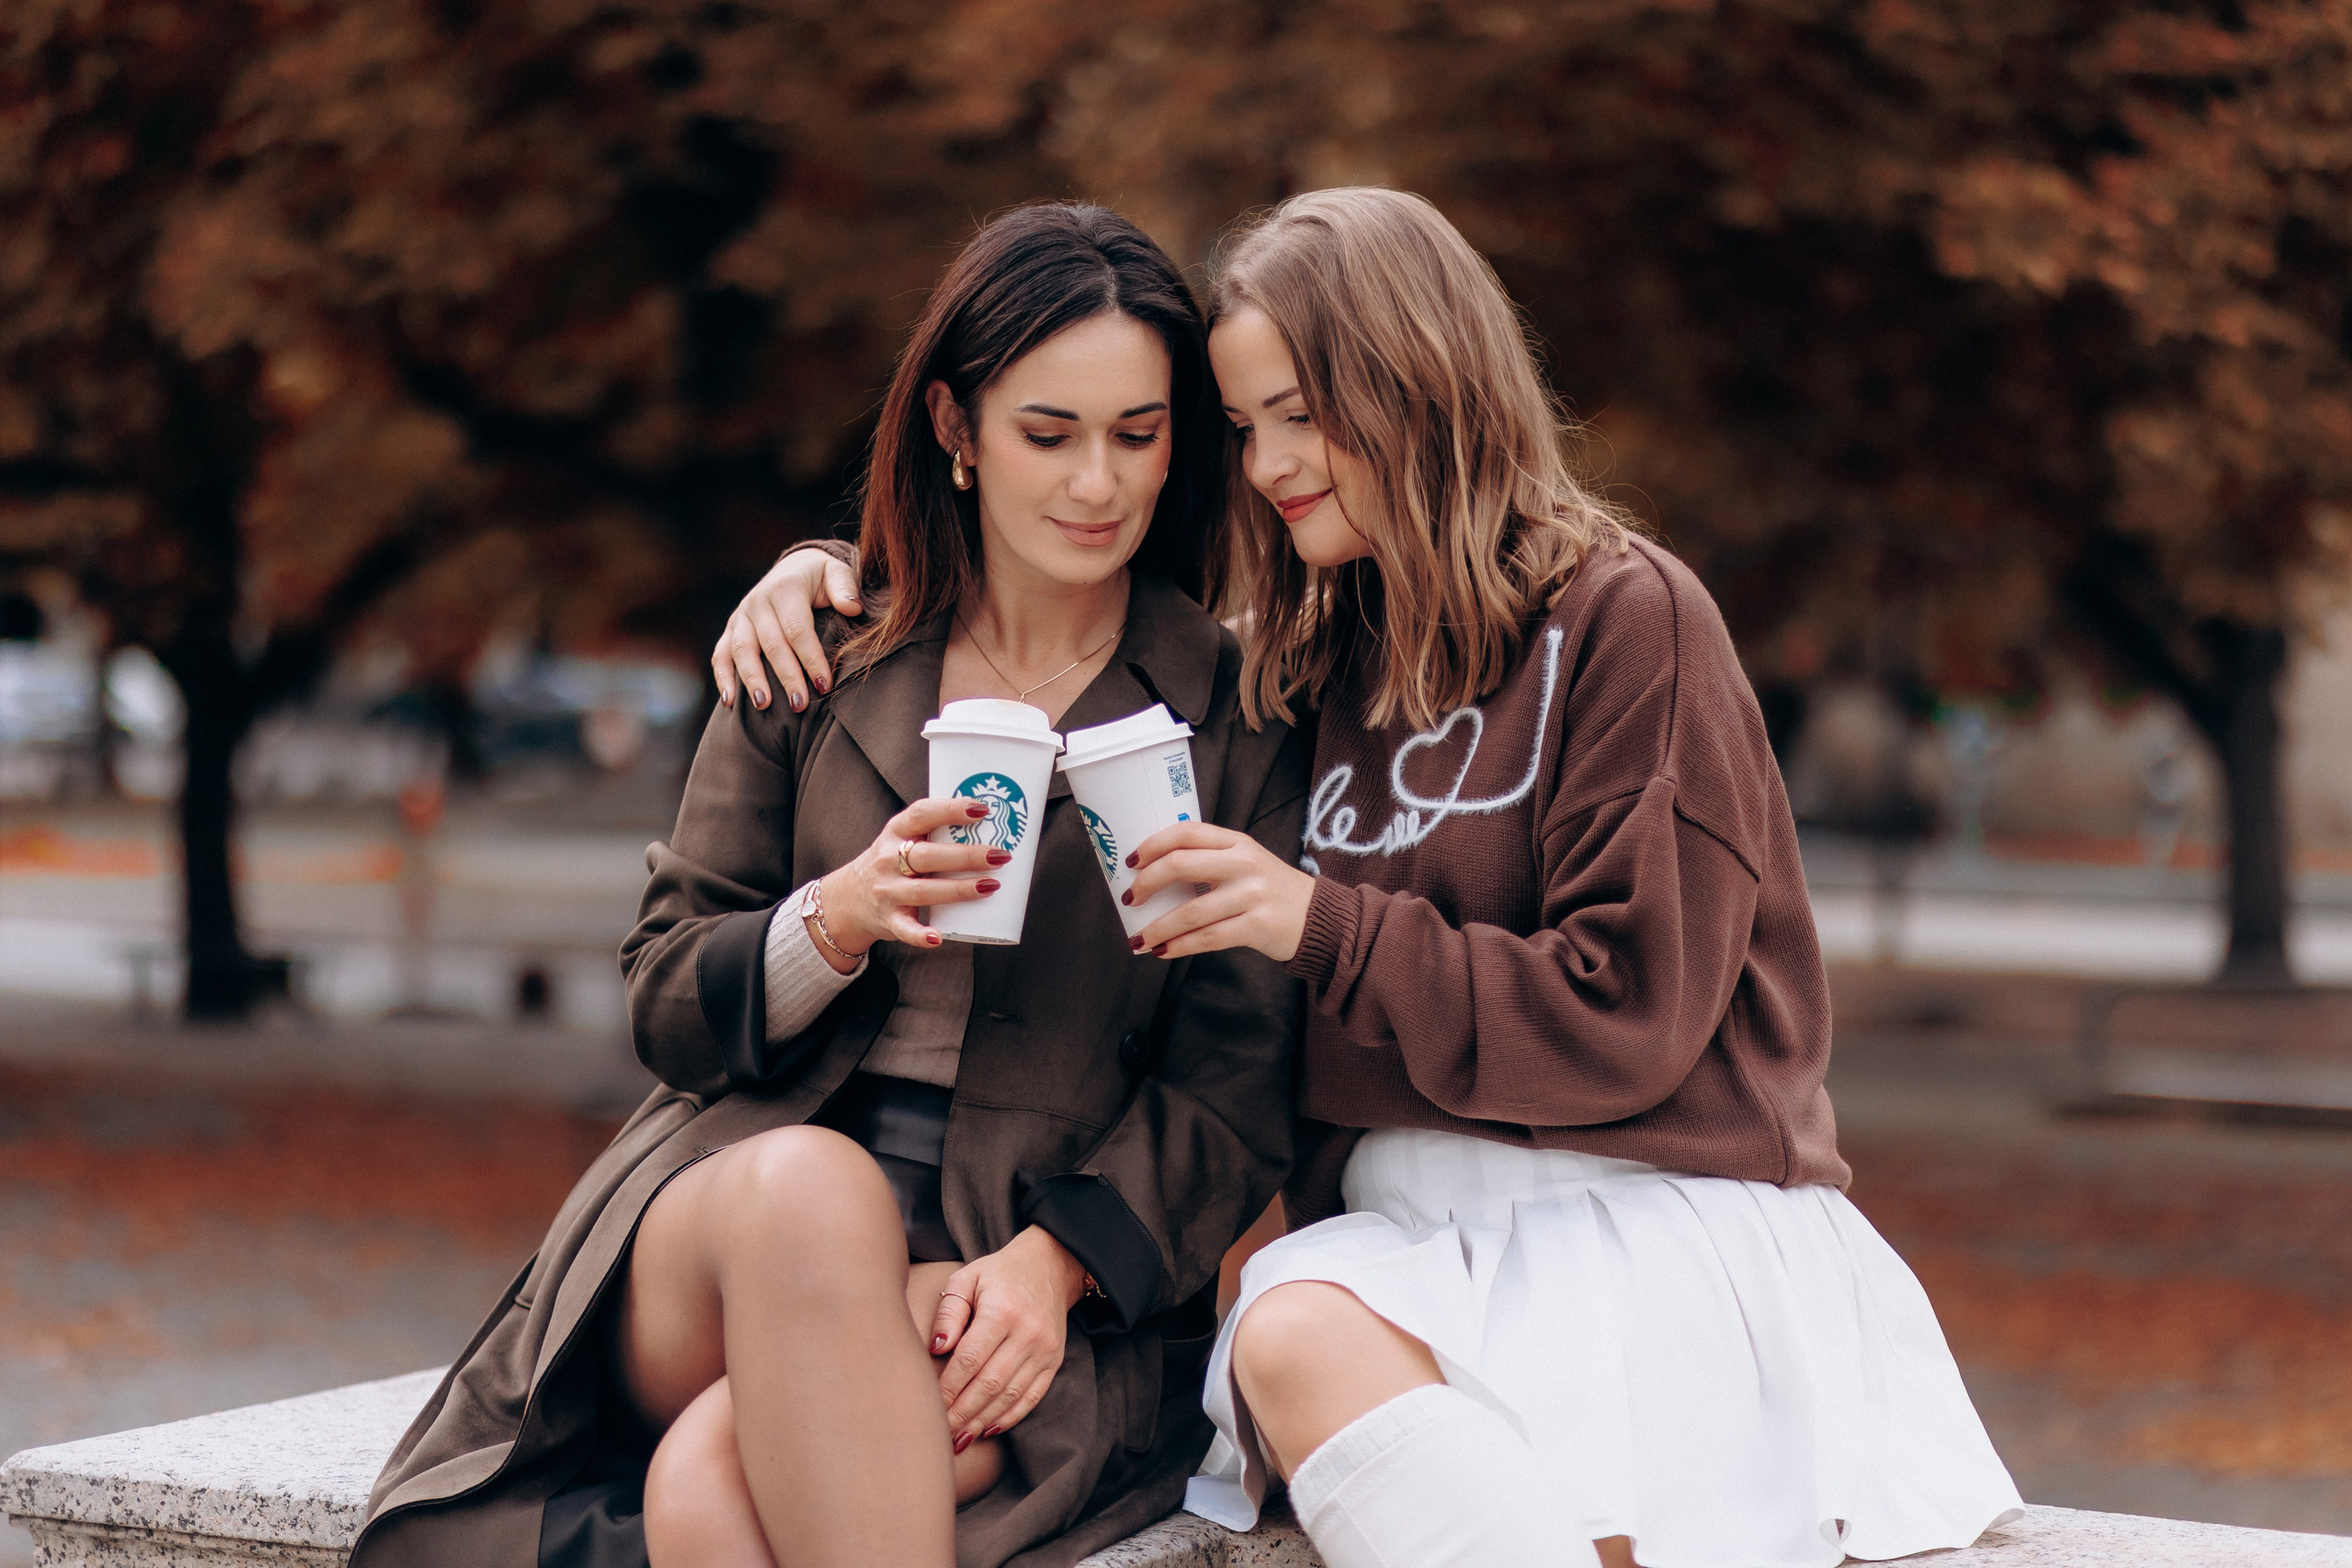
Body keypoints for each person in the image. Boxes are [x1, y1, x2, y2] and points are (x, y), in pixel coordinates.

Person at [710, 186, 2023, 1568]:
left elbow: (1634, 1014)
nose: (1271, 464)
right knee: (1279, 1325)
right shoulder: (1292, 659)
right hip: (1404, 1247)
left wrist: (1320, 924)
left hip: (1651, 1209)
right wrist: (826, 577)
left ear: (1418, 386)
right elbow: (1039, 624)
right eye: (1243, 426)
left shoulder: (1627, 617)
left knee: (1332, 1345)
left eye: (1304, 413)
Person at [352, 202, 1306, 1568]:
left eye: (1137, 434)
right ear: (954, 431)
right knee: (813, 1192)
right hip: (734, 1223)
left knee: (710, 1481)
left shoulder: (1234, 710)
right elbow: (666, 996)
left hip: (1021, 1262)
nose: (1098, 483)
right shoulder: (822, 647)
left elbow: (1239, 1075)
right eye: (1050, 433)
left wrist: (1063, 1264)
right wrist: (834, 919)